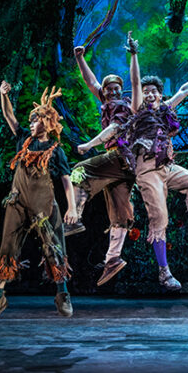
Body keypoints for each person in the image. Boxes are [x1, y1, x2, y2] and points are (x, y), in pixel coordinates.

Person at [117, 32, 188, 290]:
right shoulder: (138, 110)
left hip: (167, 167)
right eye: (146, 92)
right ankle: (164, 272)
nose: (149, 94)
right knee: (160, 216)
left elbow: (182, 90)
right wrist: (134, 55)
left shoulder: (166, 108)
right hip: (147, 170)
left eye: (153, 91)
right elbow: (135, 84)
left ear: (160, 94)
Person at [0, 82, 78, 324]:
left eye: (36, 120)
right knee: (7, 249)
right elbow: (9, 116)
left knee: (54, 248)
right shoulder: (23, 138)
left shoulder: (56, 151)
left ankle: (62, 294)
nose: (32, 124)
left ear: (47, 122)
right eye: (31, 120)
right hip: (17, 203)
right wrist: (4, 95)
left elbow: (66, 180)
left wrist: (73, 207)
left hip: (44, 207)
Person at [70, 37, 136, 285]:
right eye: (109, 89)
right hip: (124, 170)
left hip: (120, 157)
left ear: (122, 91)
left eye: (117, 88)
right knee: (119, 214)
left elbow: (114, 131)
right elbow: (91, 82)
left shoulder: (121, 106)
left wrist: (89, 145)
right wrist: (80, 58)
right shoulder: (106, 102)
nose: (112, 91)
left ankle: (74, 217)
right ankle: (113, 260)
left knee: (79, 170)